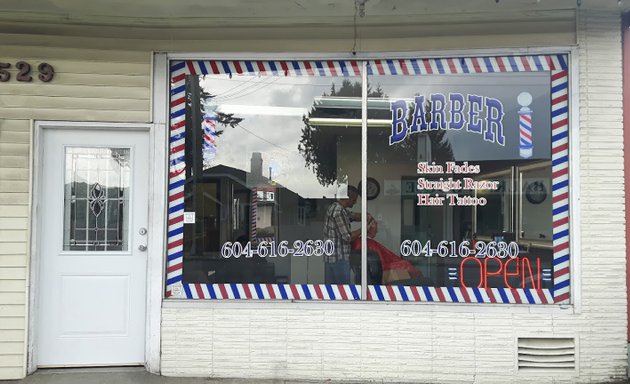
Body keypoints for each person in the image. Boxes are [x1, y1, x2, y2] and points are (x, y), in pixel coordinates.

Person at [323, 185, 362, 284]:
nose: (355, 202)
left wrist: (366, 216)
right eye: (354, 199)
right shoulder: (338, 211)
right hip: (338, 259)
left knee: (332, 292)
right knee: (342, 292)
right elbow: (347, 237)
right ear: (347, 198)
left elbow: (351, 216)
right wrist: (364, 229)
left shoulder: (336, 207)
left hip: (331, 258)